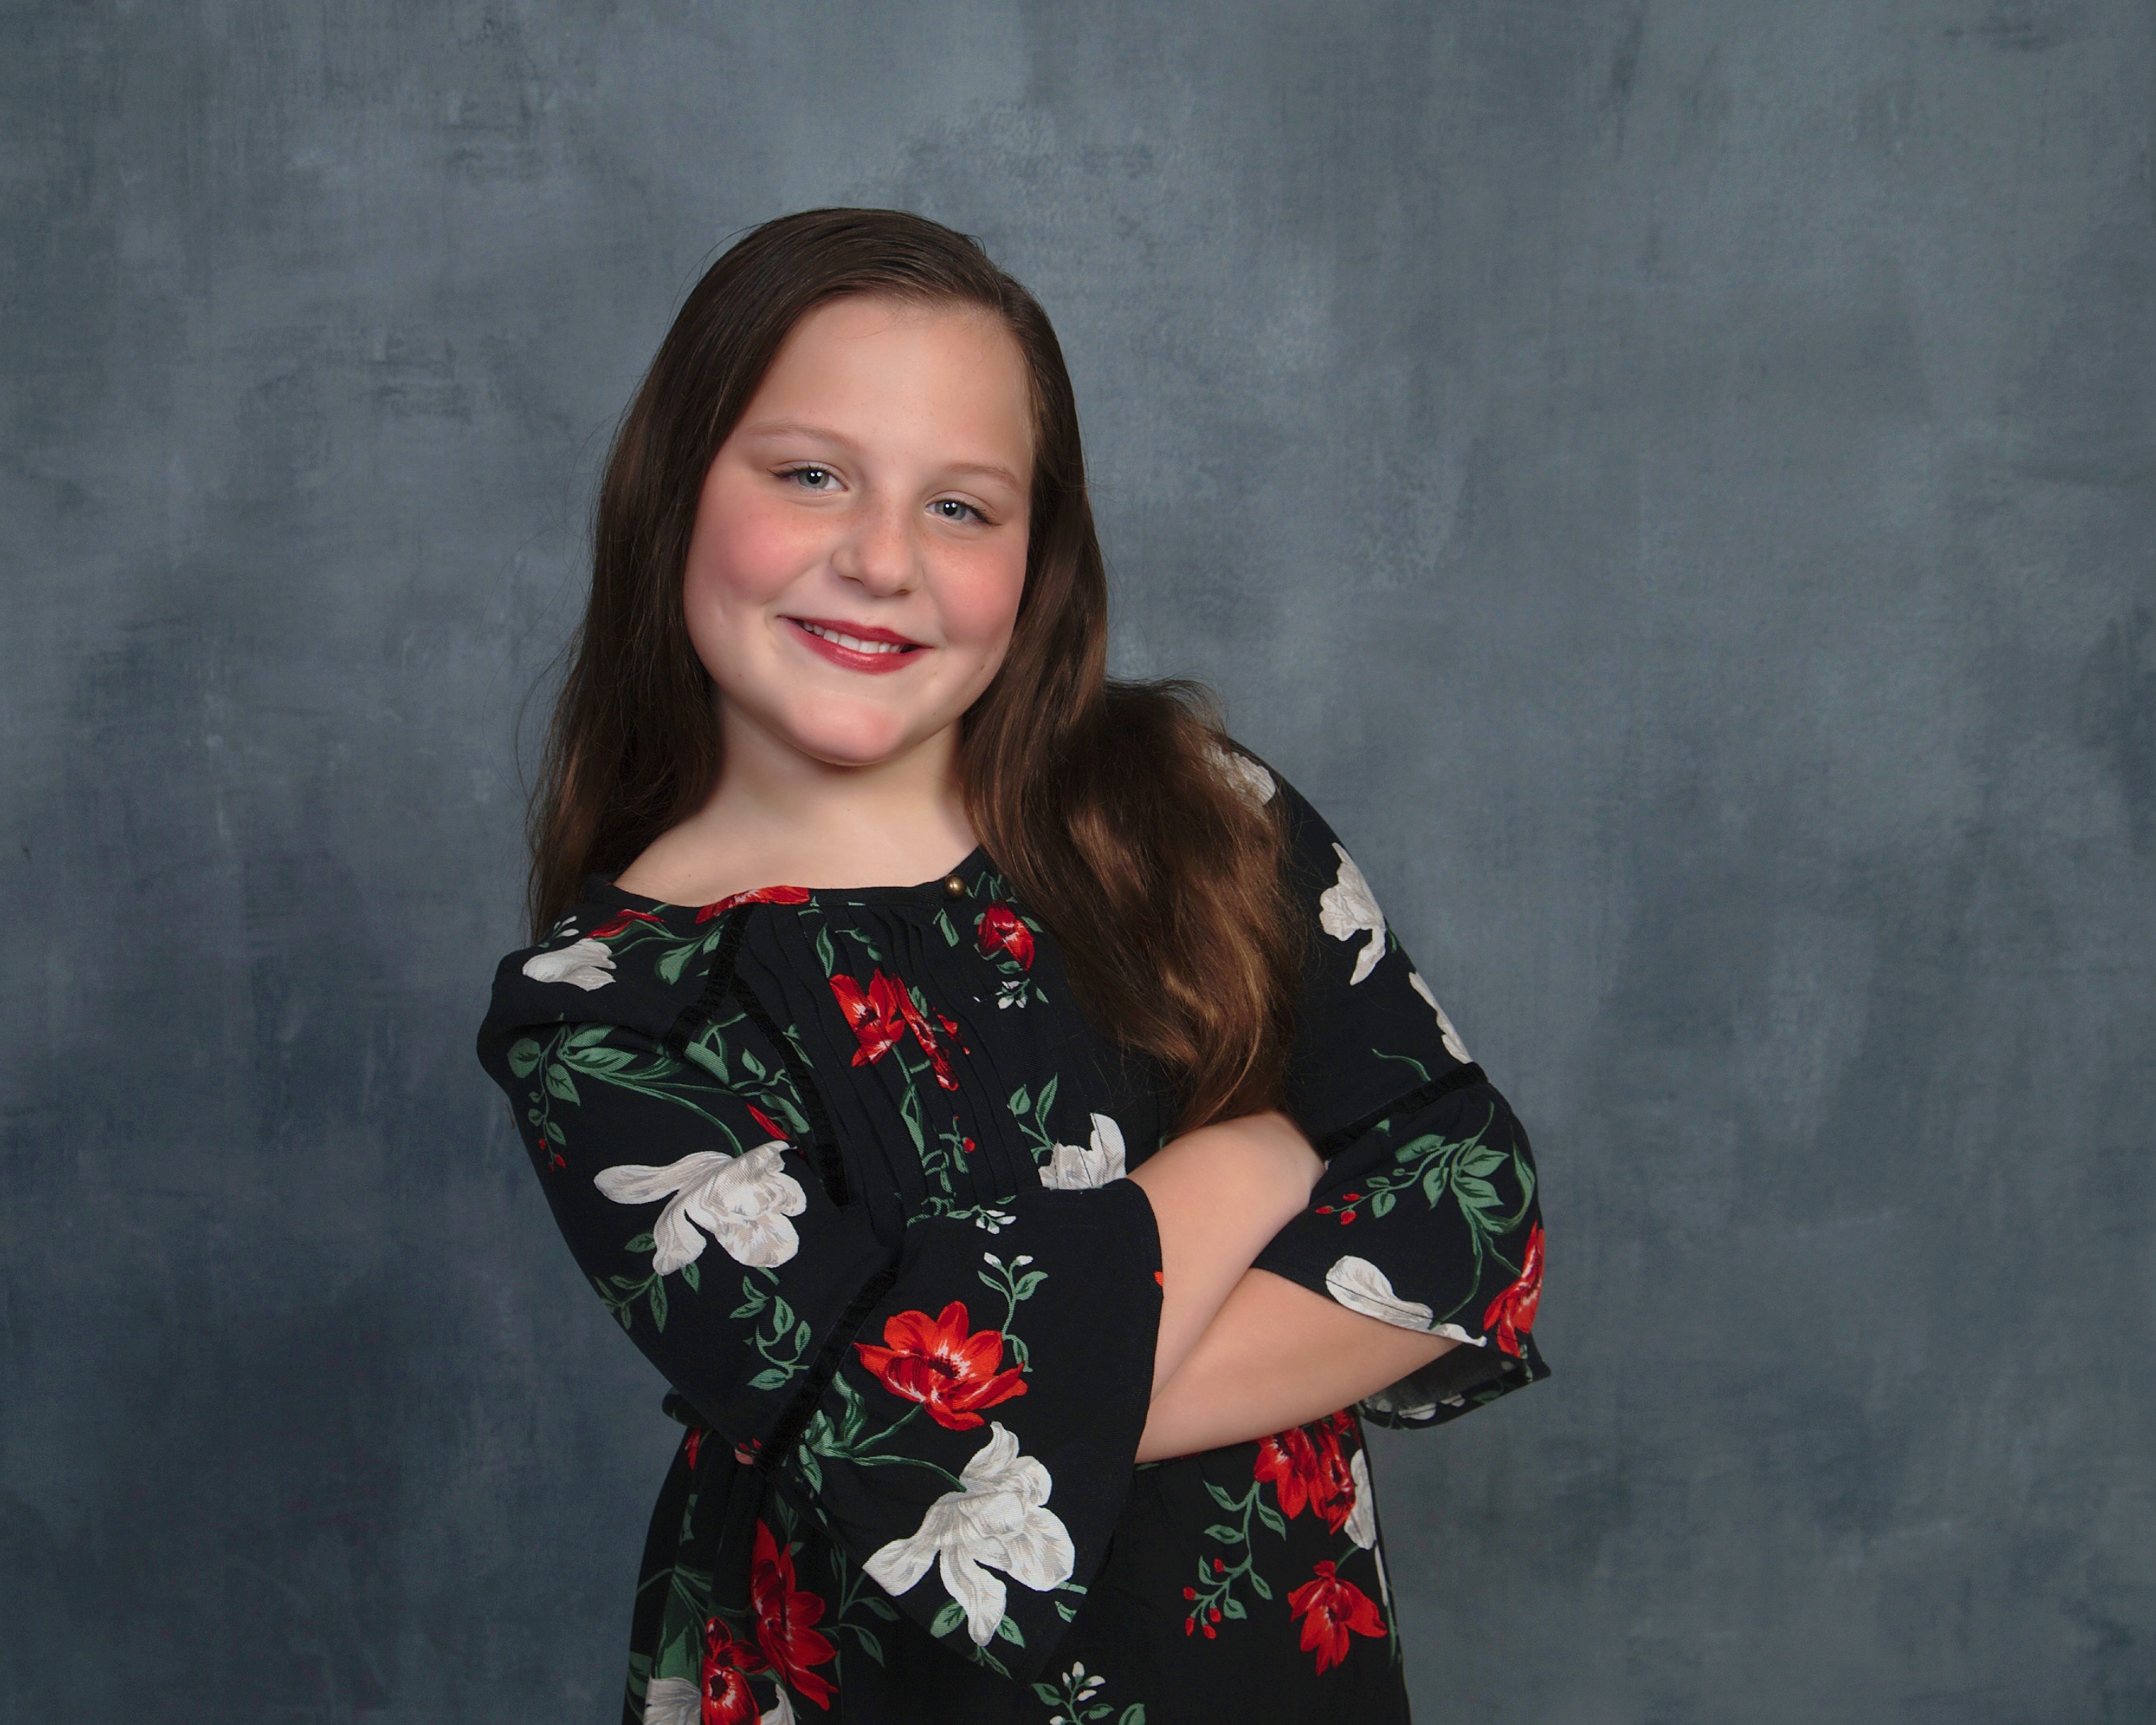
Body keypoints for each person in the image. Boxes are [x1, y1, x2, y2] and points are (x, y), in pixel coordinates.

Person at [474, 207, 1547, 1725]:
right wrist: (1252, 1164)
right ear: (677, 489)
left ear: (1039, 555)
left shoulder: (1190, 811)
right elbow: (902, 1454)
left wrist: (1035, 1406)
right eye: (811, 475)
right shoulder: (608, 1015)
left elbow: (1469, 1200)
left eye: (961, 506)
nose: (881, 560)